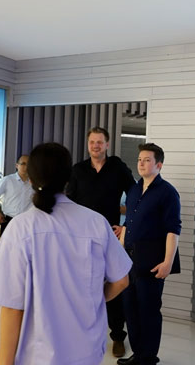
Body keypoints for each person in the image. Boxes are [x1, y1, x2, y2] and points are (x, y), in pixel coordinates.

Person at [0, 142, 132, 365]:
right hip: (86, 349)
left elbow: (12, 307)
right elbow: (121, 280)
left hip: (35, 354)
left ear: (31, 179)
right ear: (68, 178)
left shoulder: (21, 227)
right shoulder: (96, 222)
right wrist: (93, 300)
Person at [66, 126, 135, 357]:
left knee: (115, 283)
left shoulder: (118, 167)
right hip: (82, 238)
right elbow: (69, 202)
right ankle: (82, 333)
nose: (95, 146)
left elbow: (135, 196)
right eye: (92, 142)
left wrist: (126, 225)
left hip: (109, 237)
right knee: (83, 285)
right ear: (88, 145)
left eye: (99, 142)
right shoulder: (78, 170)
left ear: (107, 144)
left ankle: (117, 336)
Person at [118, 143, 181, 365]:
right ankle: (138, 354)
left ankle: (148, 357)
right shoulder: (134, 189)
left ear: (159, 165)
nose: (141, 164)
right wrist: (119, 253)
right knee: (130, 309)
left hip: (152, 262)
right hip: (129, 261)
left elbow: (173, 230)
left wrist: (168, 262)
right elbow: (128, 224)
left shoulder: (168, 193)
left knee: (149, 310)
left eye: (147, 160)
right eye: (139, 160)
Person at [0, 155, 32, 236]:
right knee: (7, 244)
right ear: (17, 165)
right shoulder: (8, 180)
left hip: (28, 222)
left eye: (29, 164)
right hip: (9, 221)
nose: (26, 167)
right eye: (23, 164)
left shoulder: (34, 182)